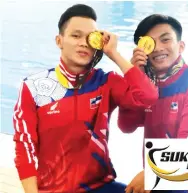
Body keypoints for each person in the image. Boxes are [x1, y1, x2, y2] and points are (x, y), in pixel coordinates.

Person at [12, 4, 158, 193]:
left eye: (90, 38)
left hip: (102, 186)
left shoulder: (106, 82)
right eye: (75, 35)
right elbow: (25, 147)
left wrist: (114, 54)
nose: (84, 43)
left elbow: (147, 96)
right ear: (59, 41)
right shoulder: (33, 87)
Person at [117, 14, 188, 193]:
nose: (158, 48)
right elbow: (126, 126)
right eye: (150, 43)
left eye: (165, 40)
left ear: (181, 46)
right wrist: (135, 80)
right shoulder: (149, 86)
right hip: (159, 181)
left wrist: (151, 173)